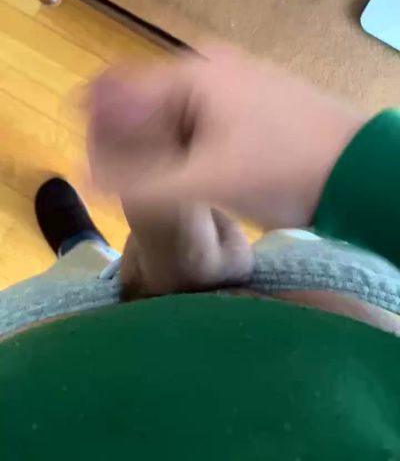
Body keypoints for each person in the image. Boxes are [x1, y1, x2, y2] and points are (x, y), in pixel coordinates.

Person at [1, 44, 400, 459]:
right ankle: (126, 252)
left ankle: (83, 246)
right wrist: (348, 164)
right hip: (340, 318)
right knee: (295, 238)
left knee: (80, 271)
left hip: (39, 362)